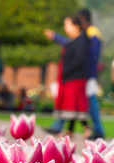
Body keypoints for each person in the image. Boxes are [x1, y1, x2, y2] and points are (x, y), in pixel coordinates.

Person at [45, 9, 105, 139]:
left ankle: (97, 129)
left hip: (85, 75)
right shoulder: (85, 35)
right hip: (83, 74)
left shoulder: (91, 34)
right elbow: (71, 45)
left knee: (84, 103)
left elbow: (87, 56)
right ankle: (61, 127)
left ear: (83, 20)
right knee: (75, 104)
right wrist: (56, 37)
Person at [51, 16, 90, 136]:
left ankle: (87, 128)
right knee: (72, 105)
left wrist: (66, 71)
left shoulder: (82, 41)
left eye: (67, 25)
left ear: (76, 26)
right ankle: (70, 130)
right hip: (70, 77)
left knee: (75, 104)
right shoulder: (73, 40)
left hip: (76, 77)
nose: (65, 28)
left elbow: (79, 60)